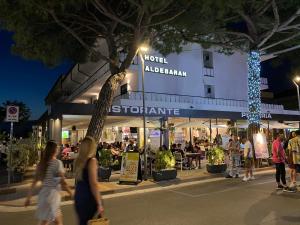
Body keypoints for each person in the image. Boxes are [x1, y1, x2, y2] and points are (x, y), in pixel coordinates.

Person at [24, 141, 72, 225]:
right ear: (55, 150)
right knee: (56, 221)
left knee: (46, 220)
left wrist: (28, 198)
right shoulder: (58, 163)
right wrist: (71, 193)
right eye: (57, 148)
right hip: (53, 195)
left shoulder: (41, 164)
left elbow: (34, 182)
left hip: (43, 195)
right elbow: (63, 182)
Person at [74, 136, 104, 225]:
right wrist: (99, 203)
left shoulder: (77, 161)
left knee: (83, 222)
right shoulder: (92, 161)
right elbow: (93, 183)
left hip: (79, 196)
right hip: (89, 197)